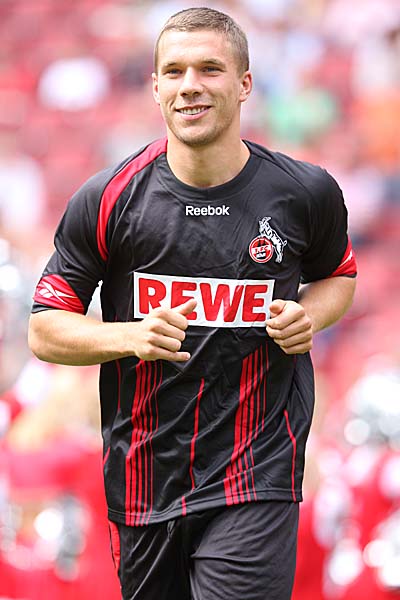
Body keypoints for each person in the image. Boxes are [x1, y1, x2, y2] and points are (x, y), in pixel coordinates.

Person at [28, 7, 357, 600]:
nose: (190, 86)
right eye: (175, 72)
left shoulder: (304, 192)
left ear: (245, 83)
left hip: (256, 475)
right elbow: (46, 329)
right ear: (155, 87)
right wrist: (128, 336)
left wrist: (309, 315)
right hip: (144, 481)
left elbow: (339, 276)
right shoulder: (108, 199)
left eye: (209, 69)